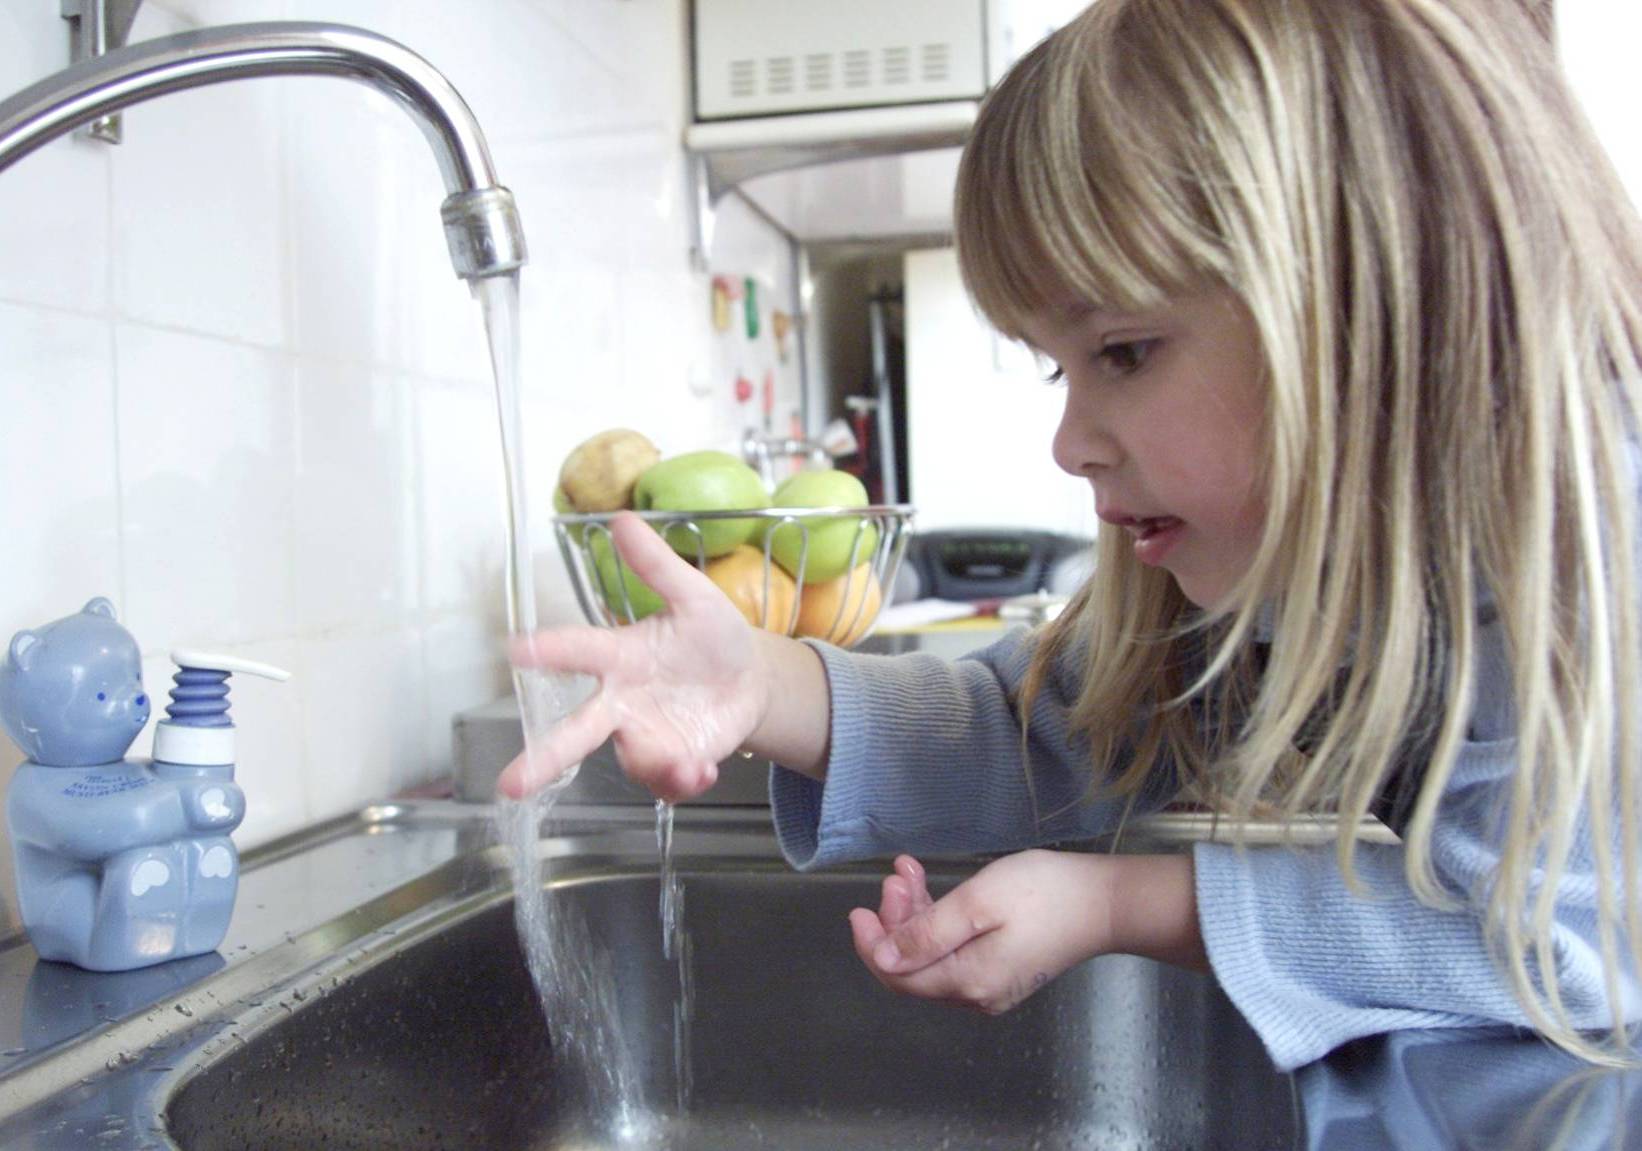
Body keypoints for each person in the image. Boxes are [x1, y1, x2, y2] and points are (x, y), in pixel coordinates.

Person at [502, 0, 1642, 1072]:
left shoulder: (1582, 545)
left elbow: (1575, 942)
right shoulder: (1266, 578)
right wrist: (756, 676)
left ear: (1359, 299)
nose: (1069, 441)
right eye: (1059, 365)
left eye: (1125, 352)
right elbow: (1037, 731)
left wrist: (1121, 901)